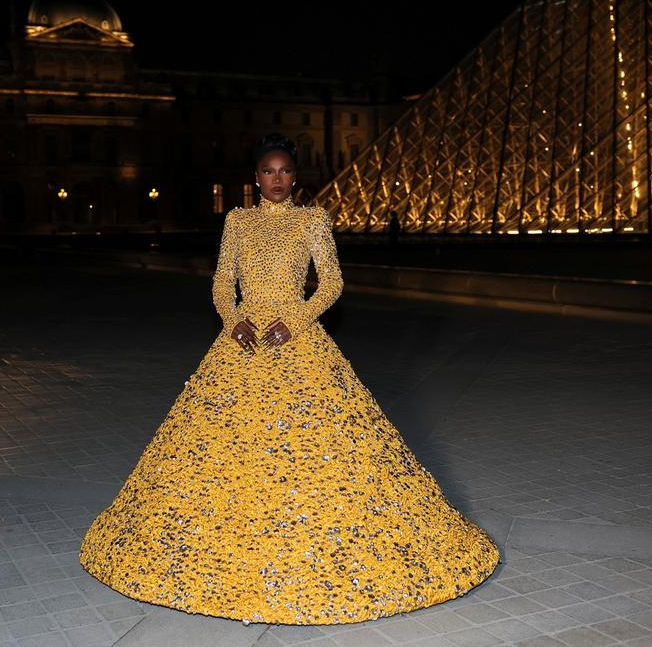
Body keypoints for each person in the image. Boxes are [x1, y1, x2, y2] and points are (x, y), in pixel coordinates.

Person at [79, 133, 500, 625]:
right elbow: (221, 281)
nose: (276, 180)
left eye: (284, 172)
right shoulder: (237, 221)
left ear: (294, 177)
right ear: (255, 177)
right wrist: (231, 318)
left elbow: (333, 282)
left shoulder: (312, 219)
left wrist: (295, 321)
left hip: (296, 337)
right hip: (242, 339)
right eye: (267, 171)